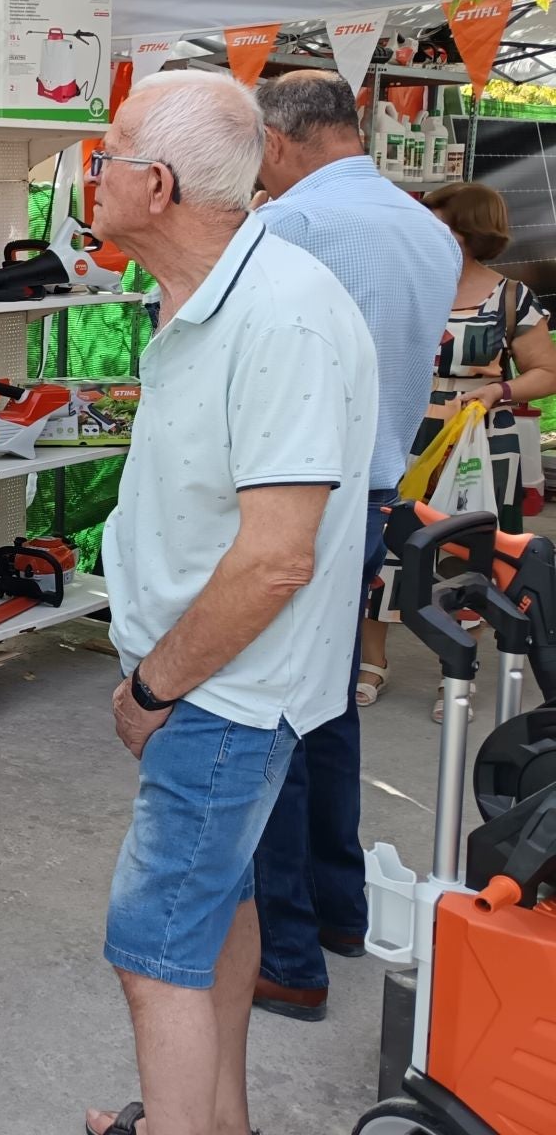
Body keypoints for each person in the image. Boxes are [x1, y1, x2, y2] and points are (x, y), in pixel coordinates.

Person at [81, 70, 377, 1135]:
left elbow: (273, 562)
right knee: (220, 913)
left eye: (106, 151)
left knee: (152, 948)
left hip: (223, 696)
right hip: (219, 688)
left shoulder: (279, 316)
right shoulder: (215, 294)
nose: (90, 168)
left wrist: (154, 688)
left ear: (153, 185)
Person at [244, 71, 459, 1024]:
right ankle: (338, 908)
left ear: (280, 141)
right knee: (328, 707)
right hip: (373, 486)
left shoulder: (288, 228)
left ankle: (287, 952)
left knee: (268, 716)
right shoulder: (427, 229)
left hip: (296, 490)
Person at [362, 181, 556, 712]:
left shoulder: (511, 298)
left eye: (438, 222)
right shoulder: (405, 287)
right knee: (387, 545)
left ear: (467, 233)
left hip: (478, 441)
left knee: (471, 555)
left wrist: (499, 389)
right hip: (403, 435)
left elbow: (547, 372)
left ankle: (457, 675)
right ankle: (372, 661)